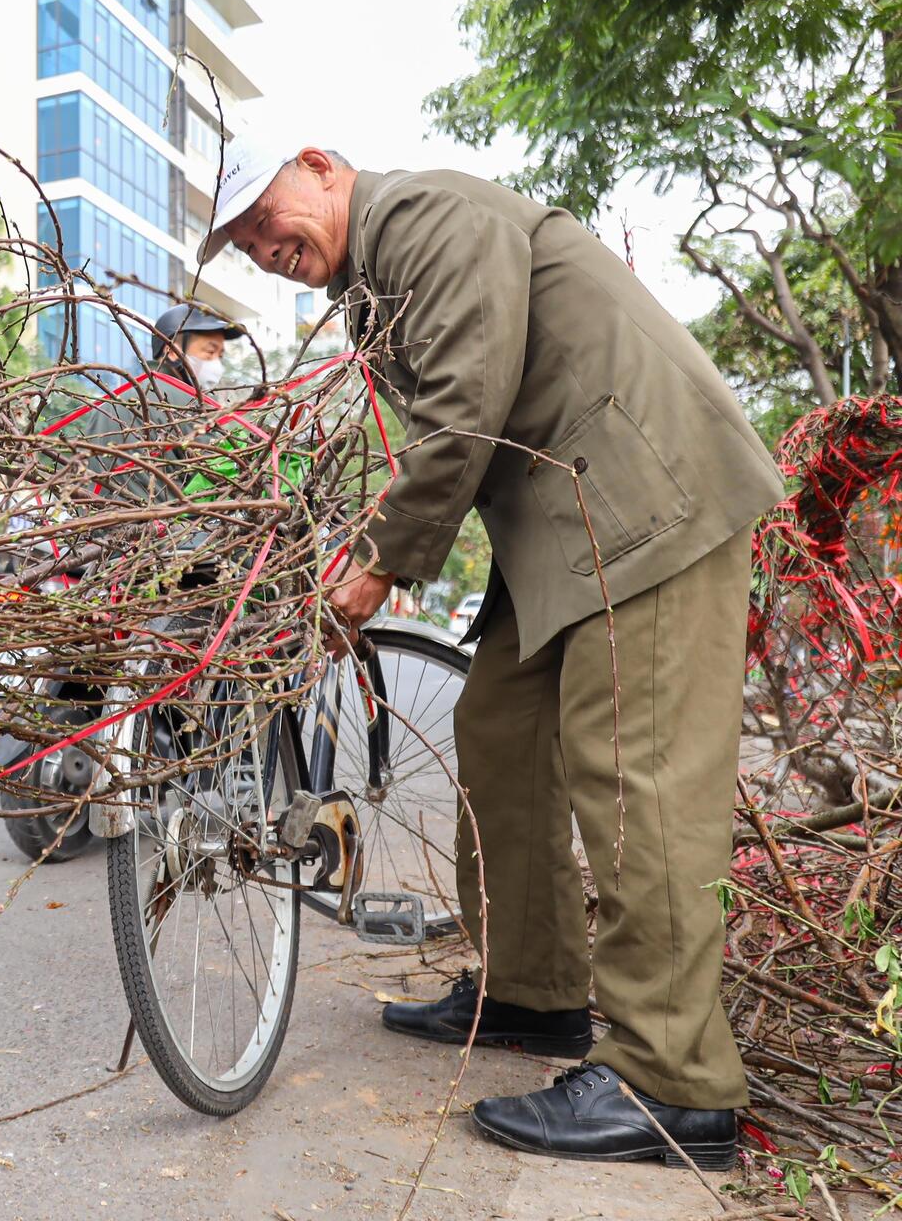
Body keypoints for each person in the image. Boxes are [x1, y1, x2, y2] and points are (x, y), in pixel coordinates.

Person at [201, 134, 783, 1171]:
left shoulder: (425, 216)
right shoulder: (376, 280)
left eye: (263, 217)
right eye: (241, 243)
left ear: (320, 165)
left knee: (634, 768)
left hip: (644, 498)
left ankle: (672, 1082)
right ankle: (533, 990)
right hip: (568, 525)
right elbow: (436, 429)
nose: (262, 246)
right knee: (500, 725)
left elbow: (465, 406)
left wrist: (376, 563)